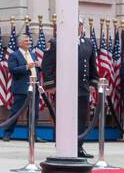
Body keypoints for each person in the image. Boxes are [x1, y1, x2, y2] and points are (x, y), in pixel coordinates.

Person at [41, 28, 99, 159]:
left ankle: (78, 147)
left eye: (80, 25)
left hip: (83, 88)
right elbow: (47, 65)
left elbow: (92, 66)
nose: (79, 27)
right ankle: (63, 146)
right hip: (64, 88)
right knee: (64, 118)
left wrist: (92, 83)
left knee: (82, 119)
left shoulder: (88, 43)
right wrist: (51, 85)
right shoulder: (56, 42)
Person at [2, 34, 39, 141]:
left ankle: (32, 136)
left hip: (34, 88)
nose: (29, 42)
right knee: (16, 112)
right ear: (20, 43)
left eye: (29, 41)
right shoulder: (14, 55)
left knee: (34, 113)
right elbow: (13, 70)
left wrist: (38, 66)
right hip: (21, 89)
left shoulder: (33, 55)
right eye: (26, 41)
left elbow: (36, 70)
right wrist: (27, 66)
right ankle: (7, 134)